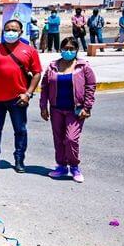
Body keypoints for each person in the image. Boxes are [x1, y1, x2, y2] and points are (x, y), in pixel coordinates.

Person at [0, 19, 42, 173]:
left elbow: (37, 73)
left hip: (18, 99)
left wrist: (28, 93)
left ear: (21, 32)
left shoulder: (29, 51)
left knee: (20, 130)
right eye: (7, 29)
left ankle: (19, 160)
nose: (11, 32)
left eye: (14, 29)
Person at [39, 37, 96, 183]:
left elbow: (90, 87)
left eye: (71, 48)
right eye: (65, 48)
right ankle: (62, 166)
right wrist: (43, 106)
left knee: (71, 139)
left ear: (76, 50)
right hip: (56, 109)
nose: (68, 51)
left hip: (75, 110)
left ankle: (75, 167)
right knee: (58, 139)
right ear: (61, 49)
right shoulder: (53, 66)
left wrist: (87, 107)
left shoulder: (83, 66)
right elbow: (44, 87)